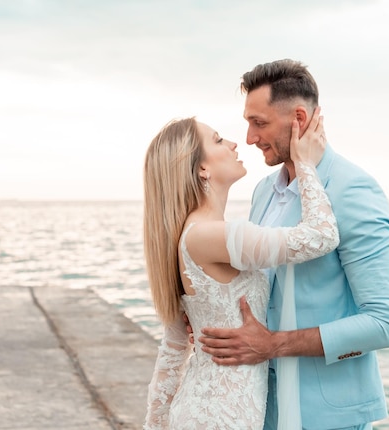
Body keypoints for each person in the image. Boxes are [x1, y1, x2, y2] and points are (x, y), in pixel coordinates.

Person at [198, 59, 389, 430]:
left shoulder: (353, 190)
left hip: (326, 415)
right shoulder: (264, 191)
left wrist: (273, 344)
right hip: (259, 403)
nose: (249, 138)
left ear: (299, 119)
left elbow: (384, 323)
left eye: (258, 123)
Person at [142, 107, 339, 429]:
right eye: (218, 140)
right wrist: (305, 163)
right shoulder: (211, 235)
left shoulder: (192, 234)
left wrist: (156, 422)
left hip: (206, 411)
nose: (234, 143)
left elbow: (173, 348)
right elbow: (321, 237)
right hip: (221, 417)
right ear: (202, 168)